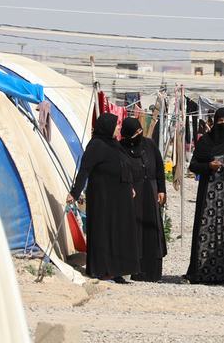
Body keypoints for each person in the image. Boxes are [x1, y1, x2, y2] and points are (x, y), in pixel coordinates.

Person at [67, 113, 140, 283]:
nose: (118, 129)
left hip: (120, 197)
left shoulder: (114, 144)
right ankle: (103, 269)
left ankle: (117, 270)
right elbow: (84, 170)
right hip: (104, 198)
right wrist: (75, 193)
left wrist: (129, 186)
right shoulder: (96, 145)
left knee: (119, 232)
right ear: (107, 127)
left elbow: (123, 166)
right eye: (116, 126)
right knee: (104, 232)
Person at [186, 108, 224, 285]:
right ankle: (205, 271)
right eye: (219, 121)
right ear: (214, 121)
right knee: (207, 229)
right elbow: (194, 165)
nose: (222, 124)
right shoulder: (205, 141)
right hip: (209, 196)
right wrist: (208, 166)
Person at [119, 117, 168, 282]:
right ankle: (136, 270)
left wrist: (161, 189)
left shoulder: (149, 144)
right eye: (136, 133)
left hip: (151, 191)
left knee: (152, 230)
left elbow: (159, 167)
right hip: (134, 193)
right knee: (136, 230)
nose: (139, 134)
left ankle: (153, 272)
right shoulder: (121, 148)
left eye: (140, 131)